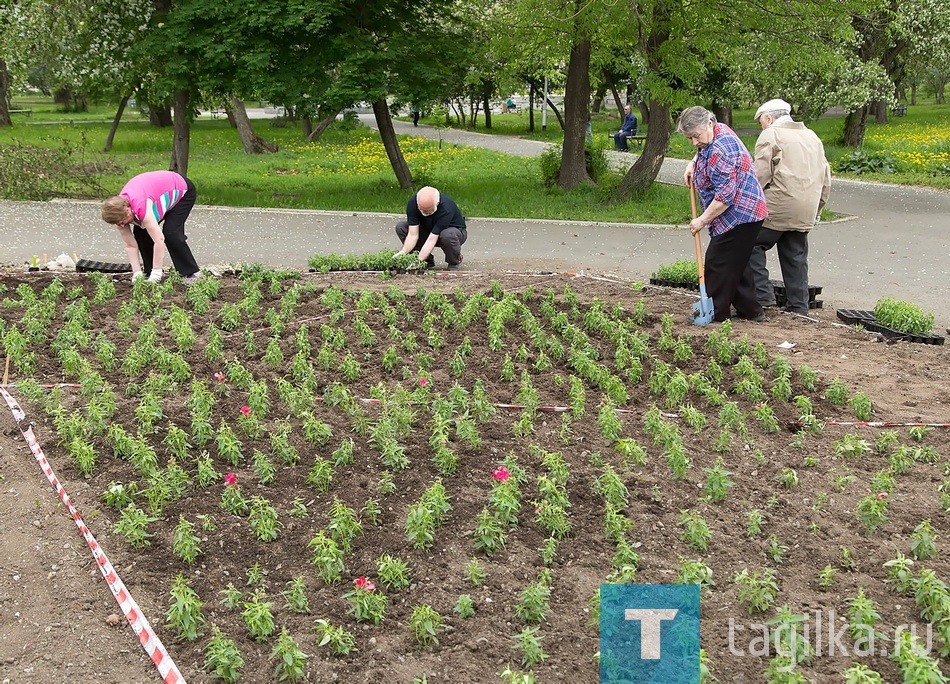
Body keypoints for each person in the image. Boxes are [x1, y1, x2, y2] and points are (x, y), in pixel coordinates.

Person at [680, 106, 768, 323]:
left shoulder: (720, 150)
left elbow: (724, 198)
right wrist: (693, 162)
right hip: (744, 211)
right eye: (690, 138)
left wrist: (701, 220)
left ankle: (716, 312)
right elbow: (702, 150)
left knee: (717, 261)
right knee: (736, 261)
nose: (694, 142)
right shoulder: (718, 130)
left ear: (709, 124)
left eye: (696, 136)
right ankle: (752, 310)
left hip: (741, 213)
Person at [750, 98, 831, 314]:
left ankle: (763, 297)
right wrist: (818, 210)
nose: (762, 126)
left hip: (777, 207)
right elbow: (826, 177)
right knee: (795, 257)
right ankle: (799, 307)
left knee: (749, 244)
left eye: (761, 122)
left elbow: (760, 175)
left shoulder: (771, 134)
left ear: (768, 118)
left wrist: (747, 204)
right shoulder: (812, 137)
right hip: (806, 209)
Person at [100, 170, 201, 283]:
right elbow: (130, 245)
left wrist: (156, 272)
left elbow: (159, 240)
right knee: (141, 234)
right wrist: (136, 272)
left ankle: (190, 273)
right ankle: (149, 272)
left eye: (122, 221)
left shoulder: (141, 206)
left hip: (181, 190)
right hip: (154, 194)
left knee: (171, 233)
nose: (122, 225)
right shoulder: (118, 213)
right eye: (118, 223)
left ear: (128, 211)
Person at [394, 186, 467, 270]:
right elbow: (412, 235)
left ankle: (453, 261)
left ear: (437, 203)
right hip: (428, 230)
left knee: (447, 235)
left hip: (453, 233)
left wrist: (418, 261)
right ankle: (427, 260)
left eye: (428, 210)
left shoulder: (446, 208)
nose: (423, 212)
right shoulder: (413, 203)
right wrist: (403, 252)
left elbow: (432, 238)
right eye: (421, 209)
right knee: (401, 227)